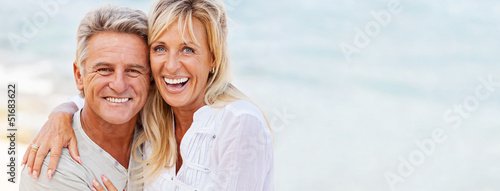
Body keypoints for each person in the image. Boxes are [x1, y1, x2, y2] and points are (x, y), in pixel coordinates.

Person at [23, 0, 274, 190]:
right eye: (160, 48)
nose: (172, 65)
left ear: (213, 58)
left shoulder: (239, 124)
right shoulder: (156, 114)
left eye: (188, 49)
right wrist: (60, 116)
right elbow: (104, 96)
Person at [19, 5, 150, 191]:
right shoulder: (52, 169)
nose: (119, 85)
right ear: (79, 76)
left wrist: (63, 110)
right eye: (104, 70)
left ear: (151, 79)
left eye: (133, 70)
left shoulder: (162, 134)